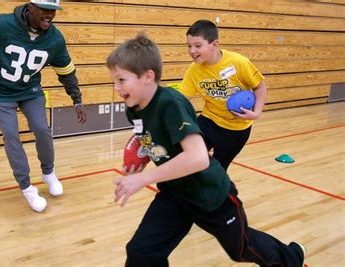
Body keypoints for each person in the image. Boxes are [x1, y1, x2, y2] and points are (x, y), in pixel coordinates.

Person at [108, 33, 306, 266]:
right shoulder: (134, 109)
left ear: (148, 77)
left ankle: (293, 256)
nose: (116, 88)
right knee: (141, 253)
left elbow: (199, 157)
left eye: (121, 80)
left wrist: (144, 178)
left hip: (210, 196)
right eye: (114, 80)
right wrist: (142, 155)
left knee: (241, 249)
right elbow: (152, 138)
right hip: (175, 193)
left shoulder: (171, 103)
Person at [0, 0, 86, 213]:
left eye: (53, 11)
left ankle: (48, 172)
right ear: (31, 8)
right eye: (45, 10)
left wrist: (77, 99)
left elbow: (66, 72)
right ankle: (27, 188)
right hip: (1, 92)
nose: (50, 15)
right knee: (11, 136)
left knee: (42, 129)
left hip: (30, 91)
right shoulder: (1, 25)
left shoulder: (55, 39)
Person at [179, 19, 267, 171]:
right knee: (187, 157)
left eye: (197, 46)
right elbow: (181, 100)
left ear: (214, 44)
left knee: (217, 170)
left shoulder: (239, 62)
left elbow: (260, 87)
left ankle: (220, 192)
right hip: (209, 121)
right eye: (189, 46)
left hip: (236, 129)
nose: (192, 51)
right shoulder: (194, 71)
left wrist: (257, 113)